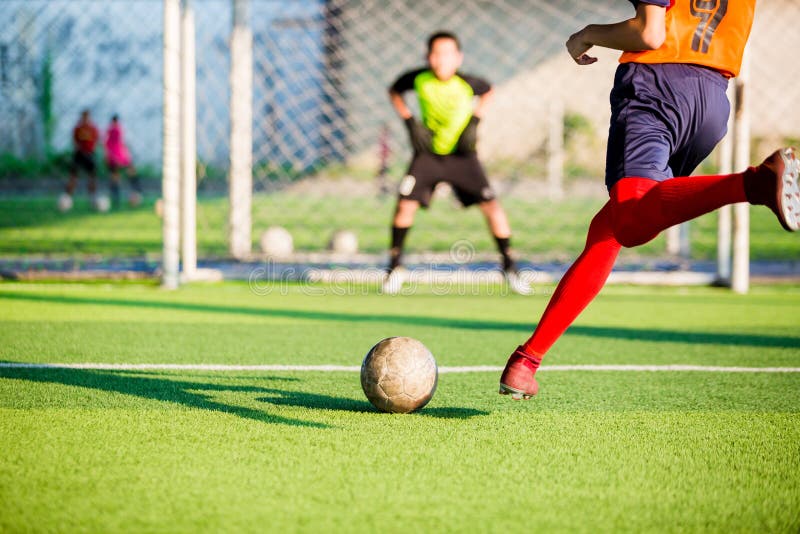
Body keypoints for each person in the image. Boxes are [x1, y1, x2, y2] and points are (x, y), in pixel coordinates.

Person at [499, 0, 799, 399]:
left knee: (630, 222)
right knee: (608, 229)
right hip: (710, 102)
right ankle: (527, 360)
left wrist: (586, 34)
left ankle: (756, 184)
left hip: (656, 88)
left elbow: (649, 33)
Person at [383, 31, 531, 295]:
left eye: (448, 54)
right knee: (404, 205)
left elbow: (489, 91)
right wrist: (409, 121)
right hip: (428, 155)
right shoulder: (418, 79)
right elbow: (394, 90)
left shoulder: (469, 83)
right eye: (436, 54)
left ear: (458, 57)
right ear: (429, 57)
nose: (441, 60)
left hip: (463, 156)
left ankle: (510, 267)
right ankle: (395, 267)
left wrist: (475, 121)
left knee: (492, 207)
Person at [104, 114, 142, 208]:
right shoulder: (113, 130)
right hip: (115, 157)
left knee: (127, 173)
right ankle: (118, 198)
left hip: (120, 156)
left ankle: (135, 194)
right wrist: (113, 157)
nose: (116, 123)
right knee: (116, 177)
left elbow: (120, 143)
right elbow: (109, 144)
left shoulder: (116, 129)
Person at [65, 109, 99, 201]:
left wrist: (90, 150)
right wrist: (79, 149)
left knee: (92, 176)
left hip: (89, 154)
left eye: (87, 116)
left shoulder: (93, 128)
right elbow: (75, 141)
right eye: (84, 116)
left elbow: (96, 140)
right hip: (79, 154)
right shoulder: (78, 128)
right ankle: (68, 197)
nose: (85, 119)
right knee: (73, 176)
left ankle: (93, 196)